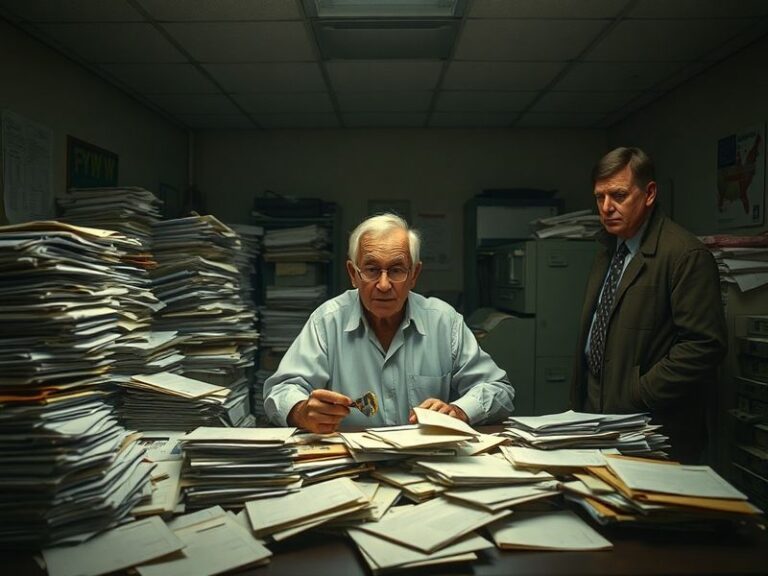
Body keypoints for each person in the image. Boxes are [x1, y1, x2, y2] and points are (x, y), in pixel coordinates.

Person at [264, 213, 515, 433]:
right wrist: (301, 411)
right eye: (372, 270)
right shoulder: (327, 321)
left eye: (396, 270)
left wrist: (459, 411)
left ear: (414, 275)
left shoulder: (443, 321)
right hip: (352, 468)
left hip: (426, 464)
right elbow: (281, 390)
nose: (384, 285)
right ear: (353, 274)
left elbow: (498, 389)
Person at [572, 146, 727, 463]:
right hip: (596, 414)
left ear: (650, 193)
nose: (606, 207)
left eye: (618, 195)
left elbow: (703, 346)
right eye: (599, 197)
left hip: (650, 428)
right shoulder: (608, 250)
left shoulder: (685, 255)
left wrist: (638, 393)